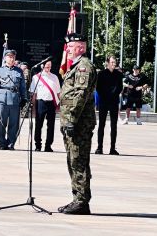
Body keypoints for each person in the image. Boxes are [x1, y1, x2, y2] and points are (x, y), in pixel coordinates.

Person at [58, 34, 97, 215]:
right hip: (72, 121)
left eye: (71, 47)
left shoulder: (84, 67)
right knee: (73, 160)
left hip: (79, 123)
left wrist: (72, 118)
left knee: (78, 160)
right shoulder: (75, 66)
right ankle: (77, 199)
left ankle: (81, 201)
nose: (68, 50)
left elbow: (81, 94)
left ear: (81, 48)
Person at [0, 48, 27, 150]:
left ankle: (11, 143)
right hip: (2, 99)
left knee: (14, 123)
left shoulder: (19, 71)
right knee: (1, 123)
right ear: (5, 58)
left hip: (15, 99)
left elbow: (23, 86)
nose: (11, 59)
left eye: (13, 57)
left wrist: (24, 98)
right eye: (9, 57)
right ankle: (2, 144)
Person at [30, 60, 60, 152]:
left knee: (51, 125)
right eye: (47, 66)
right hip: (41, 102)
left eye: (50, 66)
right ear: (42, 66)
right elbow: (33, 94)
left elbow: (58, 92)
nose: (48, 68)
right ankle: (38, 145)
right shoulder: (36, 77)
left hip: (51, 103)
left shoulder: (54, 77)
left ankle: (48, 145)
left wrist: (59, 105)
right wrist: (34, 108)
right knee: (38, 125)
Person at [95, 55, 123, 155]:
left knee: (113, 125)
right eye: (112, 62)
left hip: (114, 101)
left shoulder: (119, 74)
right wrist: (105, 95)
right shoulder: (101, 74)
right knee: (101, 125)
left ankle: (112, 148)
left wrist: (113, 95)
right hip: (104, 101)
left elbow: (120, 87)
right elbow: (98, 87)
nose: (113, 64)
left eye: (115, 63)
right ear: (107, 63)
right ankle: (99, 147)